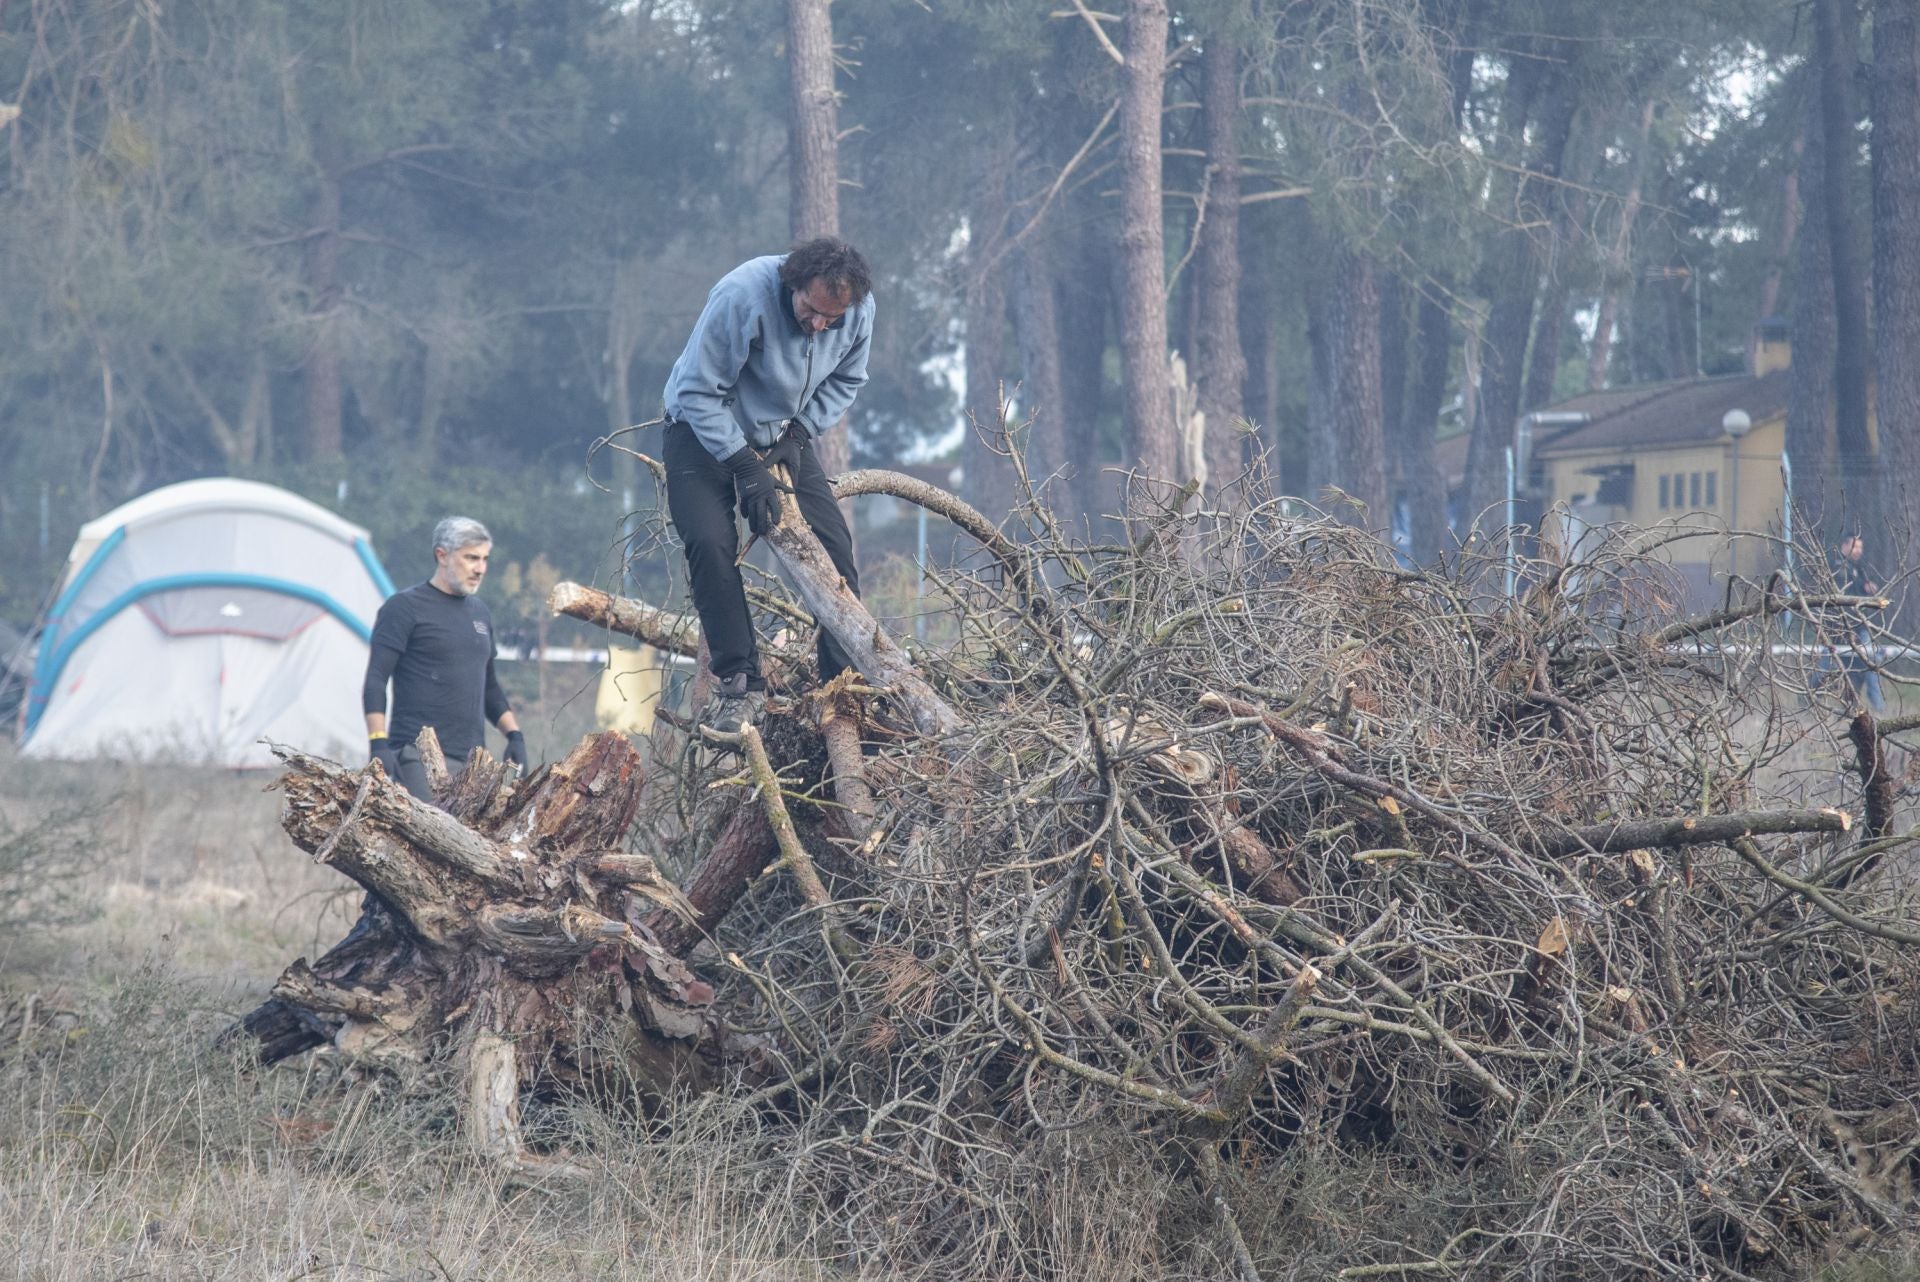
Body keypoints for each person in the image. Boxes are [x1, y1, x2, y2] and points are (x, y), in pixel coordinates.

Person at [661, 237, 875, 733]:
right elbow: (697, 390)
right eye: (811, 310)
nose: (819, 324)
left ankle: (841, 684)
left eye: (832, 318)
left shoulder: (858, 311)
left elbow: (848, 379)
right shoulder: (741, 296)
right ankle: (740, 683)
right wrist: (743, 466)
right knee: (709, 541)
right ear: (792, 283)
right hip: (699, 428)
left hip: (780, 434)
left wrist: (799, 435)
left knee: (835, 547)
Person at [363, 516, 527, 799]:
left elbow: (489, 686)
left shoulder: (480, 613)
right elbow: (376, 680)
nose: (480, 569)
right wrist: (378, 744)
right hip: (417, 757)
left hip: (474, 763)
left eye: (485, 559)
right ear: (442, 555)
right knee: (429, 839)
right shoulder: (404, 607)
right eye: (471, 558)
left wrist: (514, 736)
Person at [1812, 532, 1887, 714]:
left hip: (1860, 629)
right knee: (1824, 669)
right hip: (1838, 630)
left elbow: (1861, 595)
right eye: (1855, 547)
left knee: (1871, 666)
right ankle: (1809, 701)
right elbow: (1842, 598)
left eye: (1861, 547)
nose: (1858, 551)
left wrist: (1869, 589)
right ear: (1844, 547)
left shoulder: (1859, 569)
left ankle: (1878, 709)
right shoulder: (1836, 568)